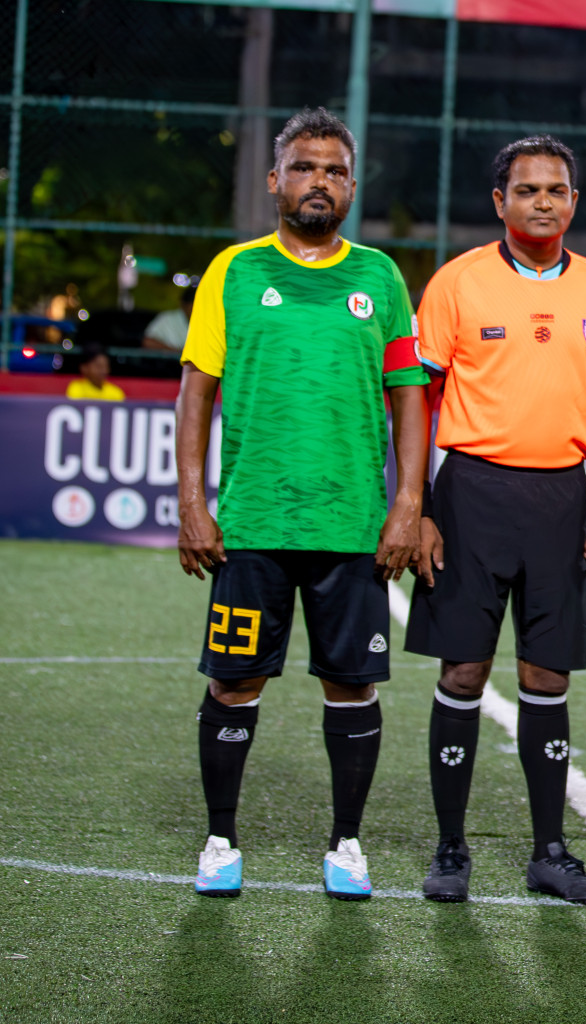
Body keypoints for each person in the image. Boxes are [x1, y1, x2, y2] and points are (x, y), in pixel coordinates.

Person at [174, 107, 429, 901]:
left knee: (353, 685)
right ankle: (220, 840)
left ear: (352, 186)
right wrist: (191, 498)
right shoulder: (235, 271)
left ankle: (346, 845)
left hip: (352, 526)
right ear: (275, 178)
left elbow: (409, 396)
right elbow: (197, 391)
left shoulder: (380, 278)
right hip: (252, 523)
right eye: (304, 166)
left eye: (334, 170)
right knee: (233, 683)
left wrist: (408, 503)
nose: (319, 181)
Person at [405, 136, 586, 905]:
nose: (543, 201)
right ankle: (449, 849)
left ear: (573, 201)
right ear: (499, 202)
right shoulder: (457, 283)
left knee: (547, 674)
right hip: (469, 494)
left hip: (564, 497)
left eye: (557, 190)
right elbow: (416, 401)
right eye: (526, 189)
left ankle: (550, 852)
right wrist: (420, 509)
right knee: (462, 669)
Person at [143, 286, 196, 351]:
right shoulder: (168, 318)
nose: (195, 310)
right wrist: (174, 352)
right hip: (169, 360)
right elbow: (148, 342)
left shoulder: (205, 321)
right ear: (183, 304)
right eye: (192, 307)